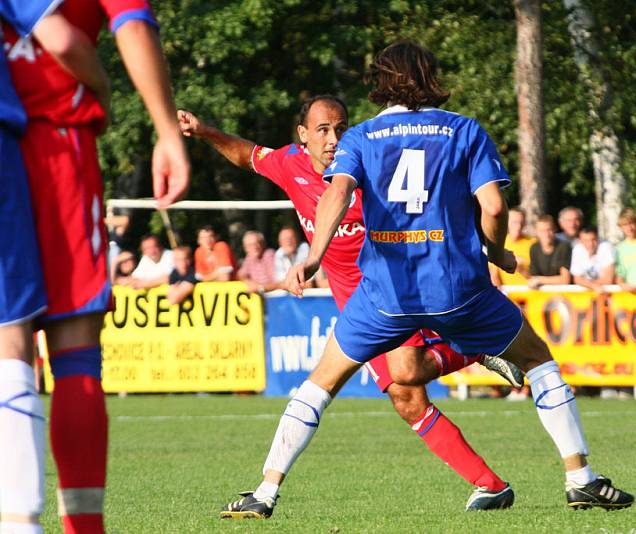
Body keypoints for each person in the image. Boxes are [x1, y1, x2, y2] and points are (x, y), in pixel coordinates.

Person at [221, 40, 634, 520]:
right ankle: (579, 477)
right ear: (431, 76)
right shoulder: (464, 130)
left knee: (319, 385)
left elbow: (335, 195)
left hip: (383, 296)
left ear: (381, 81)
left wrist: (312, 257)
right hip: (457, 288)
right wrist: (497, 252)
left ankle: (266, 492)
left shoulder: (361, 137)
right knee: (538, 361)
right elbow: (495, 207)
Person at [178, 97, 525, 514]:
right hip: (360, 304)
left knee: (387, 376)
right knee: (406, 396)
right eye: (323, 129)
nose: (334, 138)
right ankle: (490, 484)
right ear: (302, 135)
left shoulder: (368, 166)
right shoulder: (290, 164)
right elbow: (247, 155)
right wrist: (204, 132)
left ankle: (265, 492)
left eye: (340, 128)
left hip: (394, 293)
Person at [5, 1, 190, 531]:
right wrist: (162, 127)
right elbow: (105, 29)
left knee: (7, 342)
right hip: (55, 141)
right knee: (74, 352)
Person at [0, 6, 113, 533]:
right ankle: (26, 522)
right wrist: (106, 90)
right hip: (40, 146)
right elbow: (61, 38)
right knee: (32, 343)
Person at [489, 207, 534, 288]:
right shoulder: (498, 244)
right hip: (508, 294)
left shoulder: (533, 243)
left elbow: (539, 274)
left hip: (531, 294)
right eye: (515, 222)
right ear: (507, 222)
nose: (518, 226)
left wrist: (521, 269)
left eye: (521, 222)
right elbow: (494, 276)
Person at [528, 215, 572, 288]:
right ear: (536, 232)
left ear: (555, 229)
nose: (546, 234)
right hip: (542, 290)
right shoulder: (534, 248)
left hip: (562, 290)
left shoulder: (564, 247)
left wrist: (539, 280)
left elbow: (565, 280)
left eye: (549, 230)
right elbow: (533, 277)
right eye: (542, 231)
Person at [570, 226, 615, 292]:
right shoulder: (577, 249)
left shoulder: (606, 247)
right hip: (591, 291)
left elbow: (608, 279)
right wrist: (593, 286)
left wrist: (587, 284)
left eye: (593, 239)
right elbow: (577, 279)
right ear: (580, 241)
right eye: (586, 240)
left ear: (598, 238)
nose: (590, 244)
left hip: (607, 292)